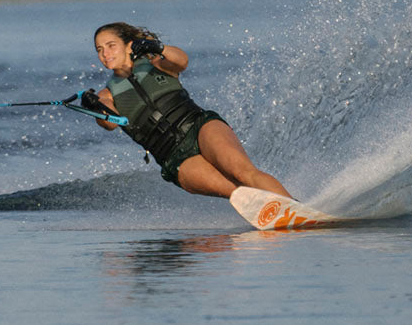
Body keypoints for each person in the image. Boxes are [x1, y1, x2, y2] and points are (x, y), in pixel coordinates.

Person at [83, 21, 292, 201]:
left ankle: (297, 208)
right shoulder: (107, 94)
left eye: (111, 46)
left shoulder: (154, 63)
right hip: (173, 156)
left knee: (244, 172)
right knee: (236, 191)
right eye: (99, 50)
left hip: (198, 126)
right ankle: (276, 212)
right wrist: (94, 106)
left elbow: (181, 61)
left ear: (129, 46)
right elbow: (110, 122)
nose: (105, 54)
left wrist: (157, 47)